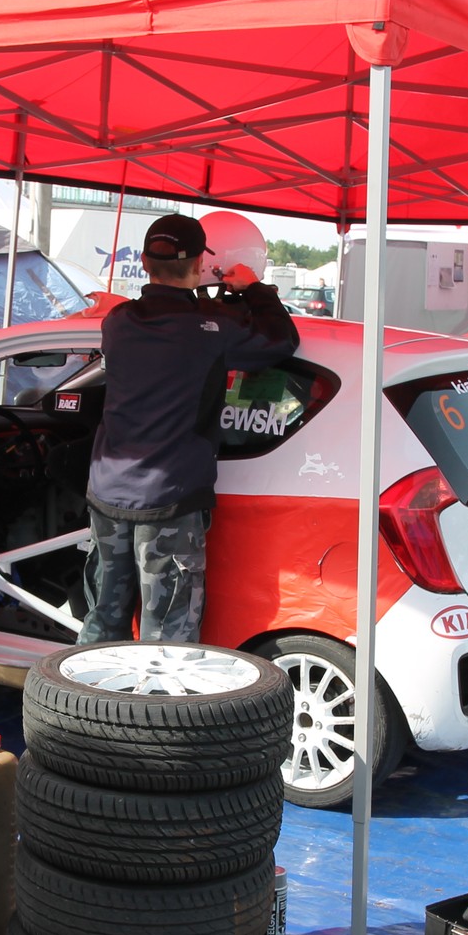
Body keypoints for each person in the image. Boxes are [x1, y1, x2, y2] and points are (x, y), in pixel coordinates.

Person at [76, 214, 298, 644]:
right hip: (170, 501)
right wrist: (253, 289)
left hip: (107, 495)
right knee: (167, 639)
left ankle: (87, 706)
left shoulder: (117, 323)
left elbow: (159, 321)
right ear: (200, 264)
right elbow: (280, 339)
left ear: (143, 261)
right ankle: (159, 709)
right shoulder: (213, 331)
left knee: (103, 620)